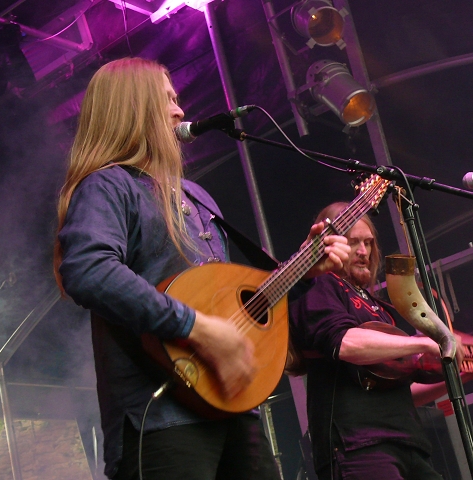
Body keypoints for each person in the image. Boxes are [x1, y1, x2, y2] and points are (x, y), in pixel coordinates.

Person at [53, 57, 350, 480]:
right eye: (167, 100)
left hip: (230, 406)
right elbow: (87, 269)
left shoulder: (197, 196)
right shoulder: (108, 185)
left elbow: (231, 302)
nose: (180, 111)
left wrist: (303, 269)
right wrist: (197, 327)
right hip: (159, 418)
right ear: (133, 110)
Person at [288, 202, 473, 480]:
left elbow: (401, 389)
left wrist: (471, 371)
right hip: (358, 445)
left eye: (369, 243)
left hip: (406, 443)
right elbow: (345, 342)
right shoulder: (320, 286)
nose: (363, 252)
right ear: (332, 243)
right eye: (353, 243)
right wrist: (422, 344)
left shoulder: (379, 308)